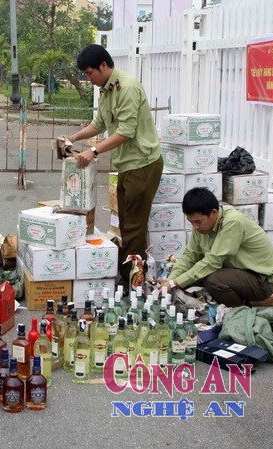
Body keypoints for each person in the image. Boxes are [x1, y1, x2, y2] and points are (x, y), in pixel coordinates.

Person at [65, 44, 163, 284]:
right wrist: (73, 138)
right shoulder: (106, 90)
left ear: (104, 66)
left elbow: (127, 131)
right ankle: (126, 274)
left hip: (142, 163)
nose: (89, 79)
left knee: (134, 226)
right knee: (125, 223)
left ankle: (133, 281)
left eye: (90, 73)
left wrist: (94, 151)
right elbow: (98, 123)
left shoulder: (127, 88)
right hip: (127, 165)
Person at [159, 187, 273, 307]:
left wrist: (175, 283)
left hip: (261, 280)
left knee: (213, 280)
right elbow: (190, 255)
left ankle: (240, 311)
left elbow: (212, 262)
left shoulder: (232, 222)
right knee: (190, 276)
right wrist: (171, 280)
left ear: (213, 213)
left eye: (198, 222)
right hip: (236, 272)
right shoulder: (201, 225)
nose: (195, 227)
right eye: (191, 222)